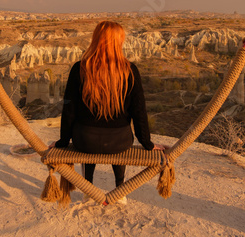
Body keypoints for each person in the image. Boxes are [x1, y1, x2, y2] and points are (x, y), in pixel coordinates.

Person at [49, 20, 165, 202]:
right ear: (119, 42)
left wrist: (63, 141)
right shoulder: (130, 70)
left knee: (87, 137)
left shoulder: (79, 69)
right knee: (117, 138)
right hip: (120, 141)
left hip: (85, 141)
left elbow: (69, 110)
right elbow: (139, 112)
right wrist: (147, 143)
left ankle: (88, 188)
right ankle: (121, 190)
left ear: (95, 40)